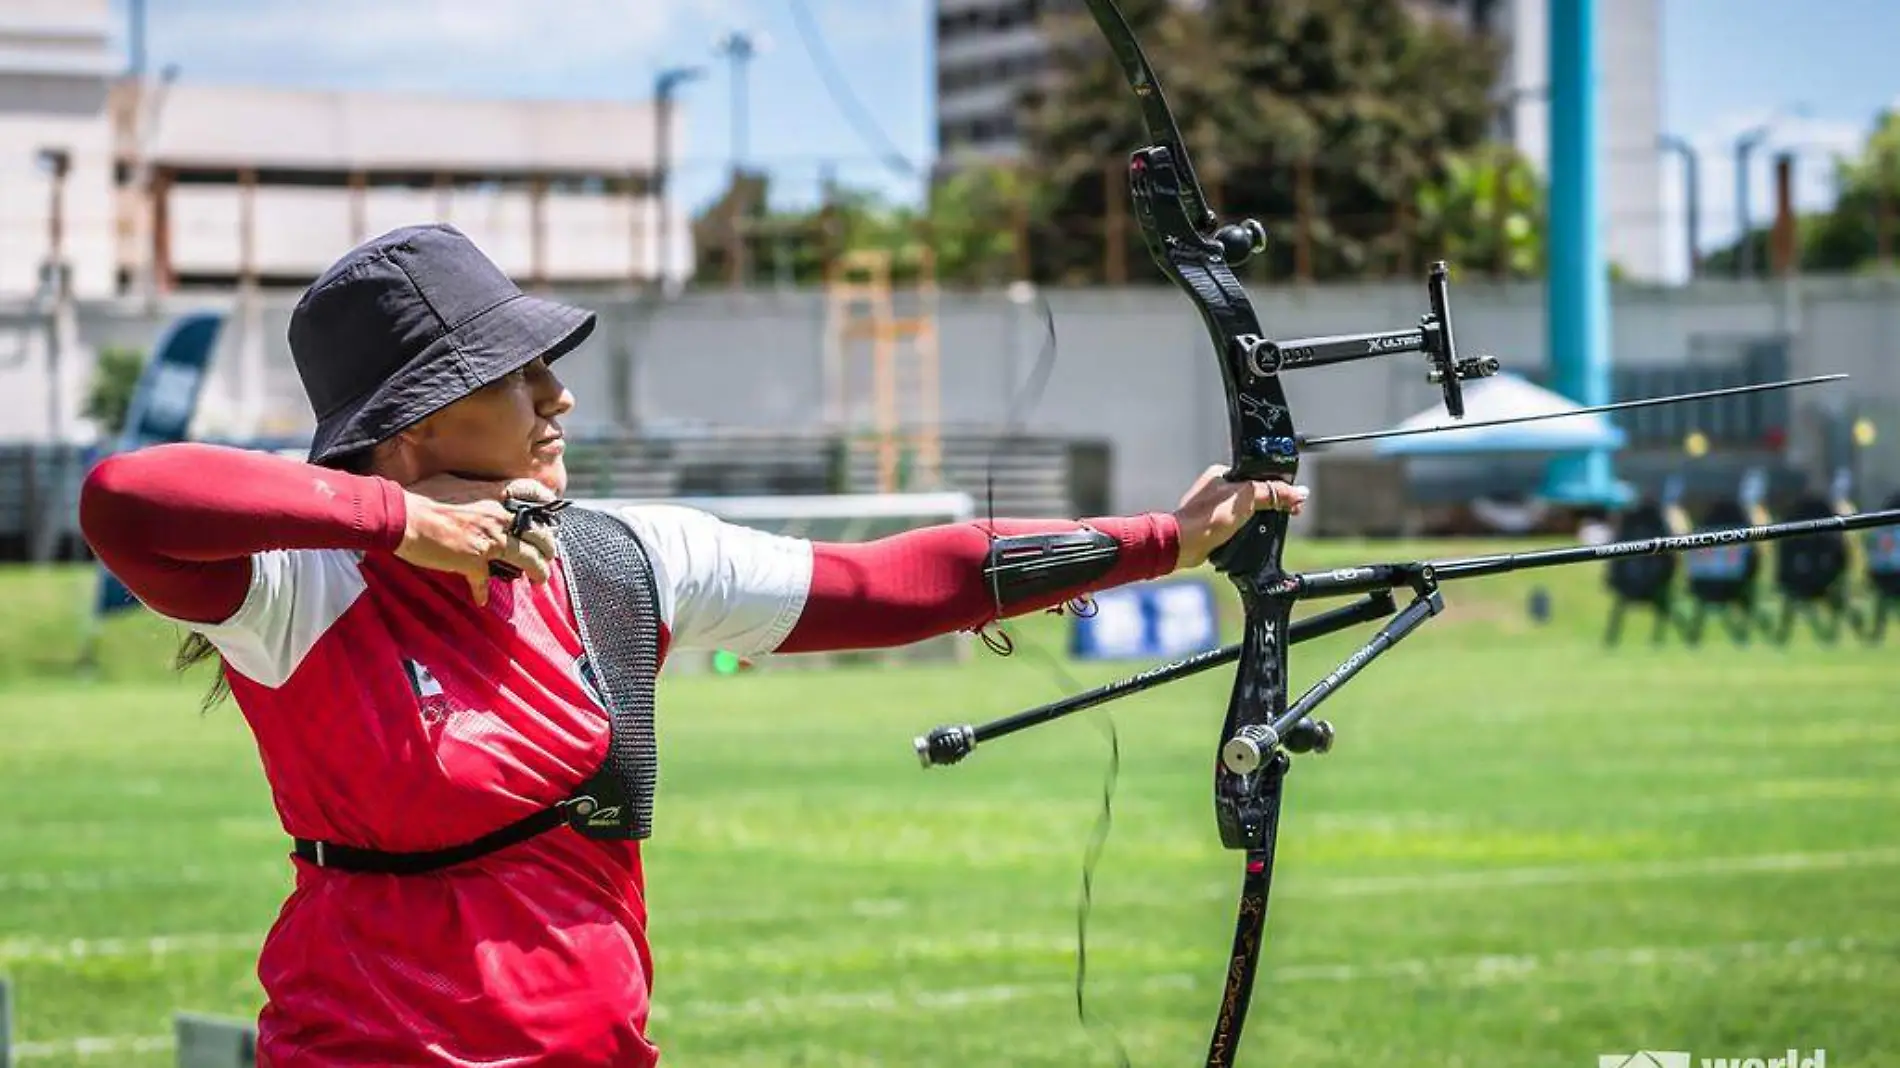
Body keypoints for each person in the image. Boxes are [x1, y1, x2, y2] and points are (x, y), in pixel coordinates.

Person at [78, 224, 1309, 1068]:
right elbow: (127, 498)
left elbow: (886, 582)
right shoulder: (298, 592)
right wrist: (406, 526)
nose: (557, 397)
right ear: (409, 424)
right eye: (516, 375)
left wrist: (1161, 535)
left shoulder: (614, 558)